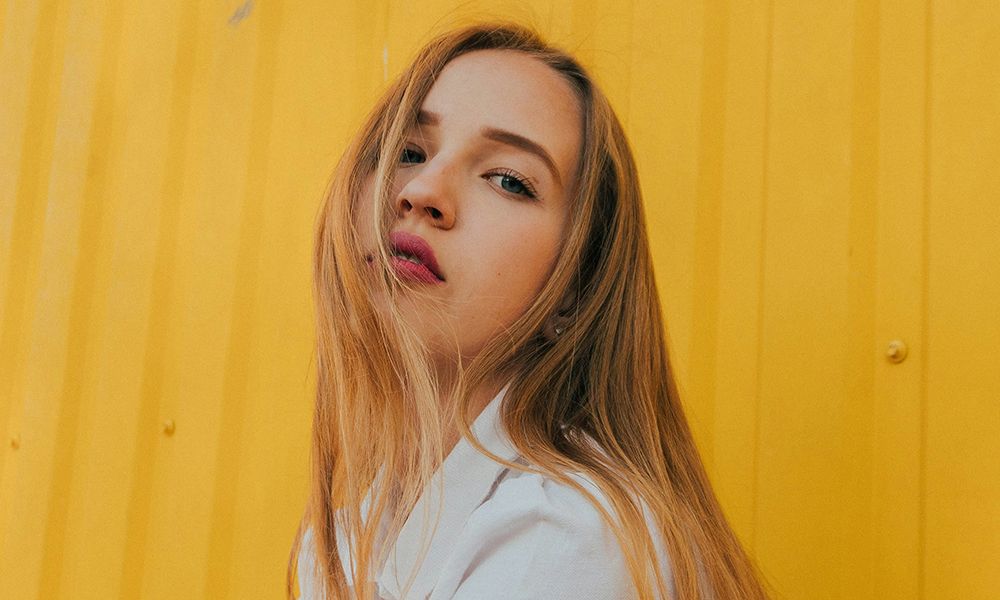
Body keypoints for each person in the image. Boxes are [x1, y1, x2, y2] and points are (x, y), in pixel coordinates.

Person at [288, 22, 768, 600]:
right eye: (409, 151)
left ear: (576, 285)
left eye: (509, 180)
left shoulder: (562, 534)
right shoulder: (346, 536)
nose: (421, 191)